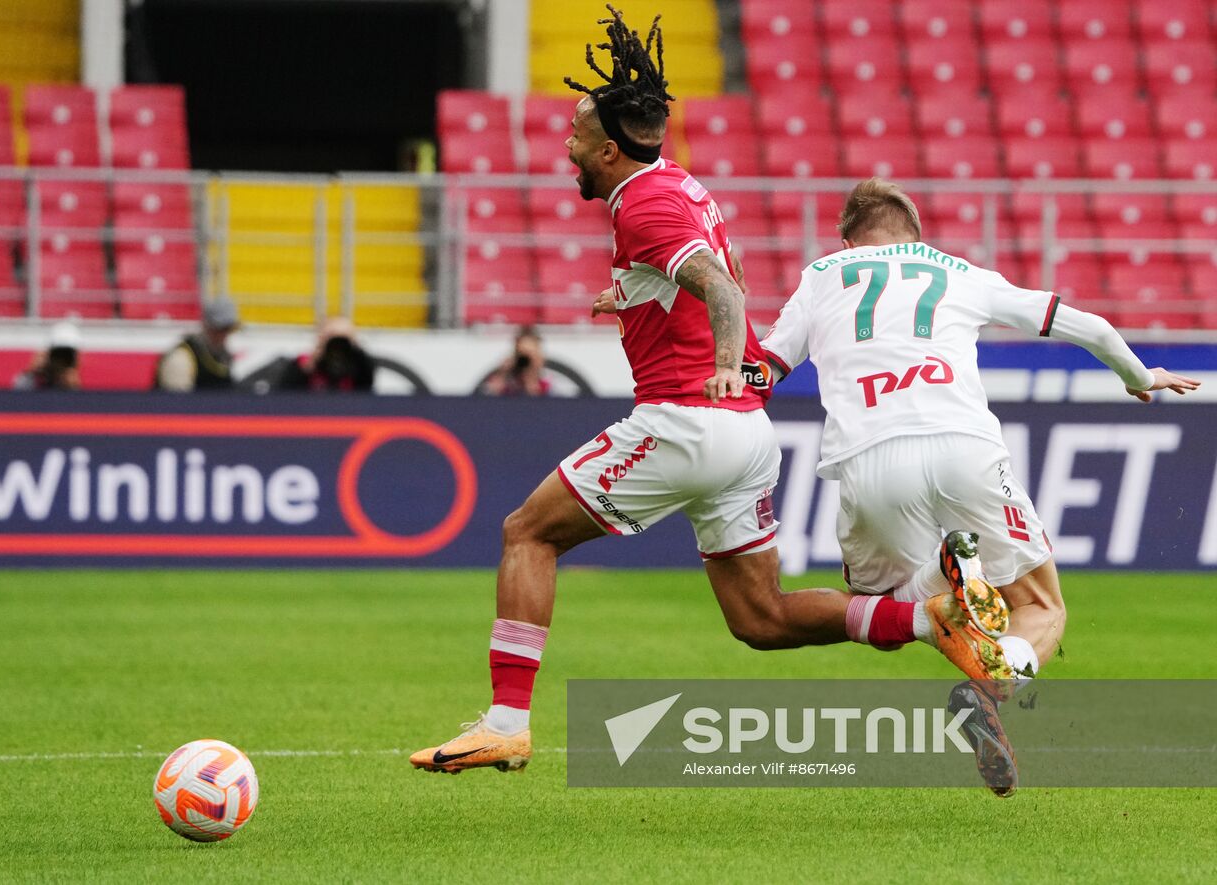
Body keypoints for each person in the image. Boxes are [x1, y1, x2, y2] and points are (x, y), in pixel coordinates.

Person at [408, 9, 1009, 776]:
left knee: (527, 532)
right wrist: (632, 295)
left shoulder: (646, 204)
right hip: (743, 437)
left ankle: (505, 721)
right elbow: (700, 277)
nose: (567, 147)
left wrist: (726, 358)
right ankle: (929, 619)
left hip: (687, 420)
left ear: (609, 147)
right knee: (759, 618)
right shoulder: (679, 186)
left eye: (576, 135)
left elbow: (721, 287)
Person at [756, 178, 1201, 792]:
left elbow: (762, 369)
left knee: (884, 617)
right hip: (966, 447)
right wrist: (1138, 375)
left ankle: (946, 575)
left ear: (848, 239)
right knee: (1041, 605)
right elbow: (1092, 327)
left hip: (867, 457)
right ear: (916, 237)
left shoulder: (822, 274)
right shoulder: (958, 272)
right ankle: (986, 688)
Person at [155, 298, 240, 391]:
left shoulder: (223, 356)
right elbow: (175, 402)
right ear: (207, 326)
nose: (224, 335)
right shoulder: (181, 358)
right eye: (220, 329)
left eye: (229, 329)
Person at [277, 317, 375, 393]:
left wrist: (355, 351)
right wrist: (311, 364)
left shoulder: (359, 365)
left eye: (343, 339)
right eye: (332, 337)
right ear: (320, 337)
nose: (337, 344)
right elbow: (285, 396)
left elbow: (367, 390)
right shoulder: (303, 363)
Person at [480, 326, 552, 396]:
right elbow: (484, 400)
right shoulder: (508, 383)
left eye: (531, 353)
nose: (526, 360)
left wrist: (532, 380)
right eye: (522, 354)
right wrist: (503, 373)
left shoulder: (550, 382)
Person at [14, 322, 83, 391]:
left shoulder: (72, 380)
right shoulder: (38, 380)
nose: (62, 359)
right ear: (49, 354)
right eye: (58, 354)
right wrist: (31, 373)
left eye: (68, 355)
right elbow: (17, 395)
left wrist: (74, 388)